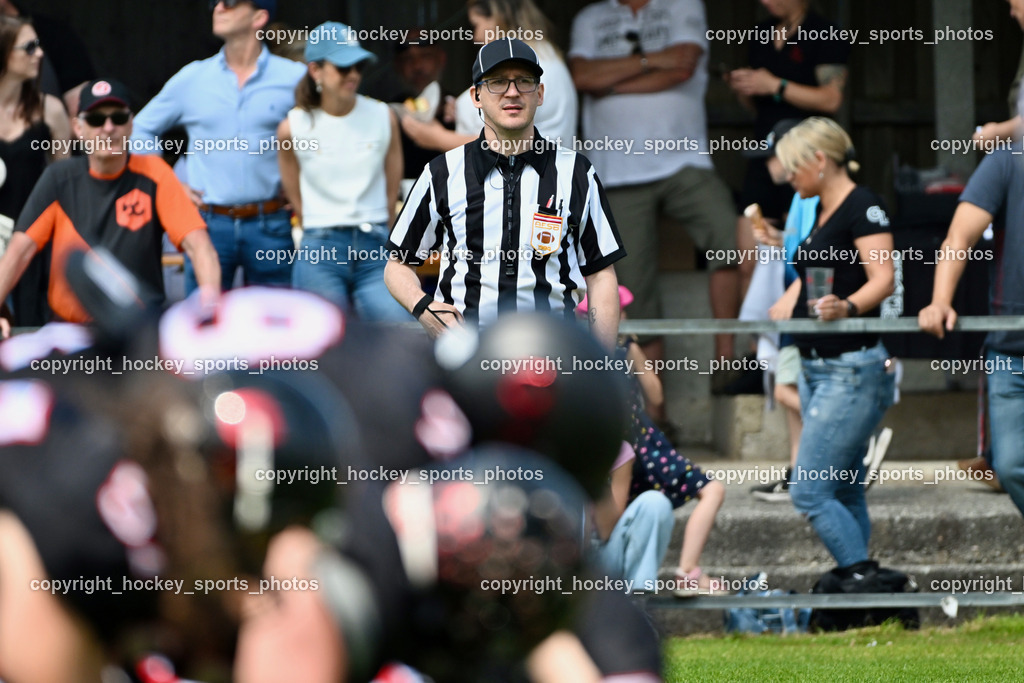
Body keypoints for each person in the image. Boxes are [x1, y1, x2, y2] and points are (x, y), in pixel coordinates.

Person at [385, 38, 625, 349]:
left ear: (539, 94)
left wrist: (598, 363)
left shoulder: (577, 172)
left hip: (552, 353)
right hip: (466, 352)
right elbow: (397, 263)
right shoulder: (441, 172)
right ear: (476, 96)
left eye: (524, 81)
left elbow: (601, 275)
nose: (512, 92)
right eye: (497, 82)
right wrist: (423, 308)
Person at [569, 0, 740, 366]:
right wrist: (651, 61)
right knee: (632, 286)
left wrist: (611, 83)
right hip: (616, 169)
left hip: (684, 161)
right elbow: (581, 76)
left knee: (729, 236)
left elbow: (683, 65)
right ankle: (654, 411)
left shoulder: (682, 4)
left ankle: (726, 360)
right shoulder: (591, 17)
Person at [0, 79, 220, 338]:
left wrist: (211, 310)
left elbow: (200, 247)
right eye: (96, 120)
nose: (108, 128)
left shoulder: (155, 173)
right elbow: (18, 253)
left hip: (139, 332)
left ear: (131, 124)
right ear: (78, 127)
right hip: (70, 331)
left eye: (118, 118)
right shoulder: (58, 179)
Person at [769, 117, 895, 569]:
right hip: (816, 365)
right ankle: (865, 599)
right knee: (843, 487)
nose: (788, 177)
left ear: (820, 160)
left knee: (809, 490)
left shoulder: (863, 205)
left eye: (794, 167)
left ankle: (861, 580)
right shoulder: (821, 208)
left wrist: (848, 307)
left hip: (850, 367)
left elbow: (883, 279)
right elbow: (811, 274)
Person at [131, 0, 305, 293]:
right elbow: (141, 129)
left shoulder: (293, 78)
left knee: (277, 329)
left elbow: (327, 132)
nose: (218, 7)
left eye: (231, 2)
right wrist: (170, 186)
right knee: (201, 326)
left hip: (271, 223)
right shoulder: (193, 78)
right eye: (215, 3)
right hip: (207, 226)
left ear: (259, 17)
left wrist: (302, 183)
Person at [580, 286, 726, 595]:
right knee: (708, 491)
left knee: (695, 494)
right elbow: (656, 396)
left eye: (620, 311)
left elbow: (655, 395)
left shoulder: (623, 349)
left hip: (640, 443)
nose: (621, 317)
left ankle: (684, 572)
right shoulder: (585, 359)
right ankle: (687, 571)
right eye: (616, 310)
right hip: (638, 442)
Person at [918, 133, 1024, 518]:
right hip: (1010, 350)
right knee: (1009, 466)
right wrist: (940, 301)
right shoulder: (1007, 160)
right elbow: (958, 238)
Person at [277, 22, 408, 321]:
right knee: (320, 340)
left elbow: (392, 186)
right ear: (315, 70)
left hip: (376, 245)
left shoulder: (382, 115)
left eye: (358, 67)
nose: (353, 75)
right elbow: (292, 188)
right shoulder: (292, 126)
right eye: (343, 67)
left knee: (399, 332)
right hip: (320, 246)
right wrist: (315, 223)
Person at [399, 0, 578, 154]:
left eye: (476, 25)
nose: (475, 37)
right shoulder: (544, 56)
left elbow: (508, 144)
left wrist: (438, 138)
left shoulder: (533, 65)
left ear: (497, 19)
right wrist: (467, 107)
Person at [0, 15, 71, 328]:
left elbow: (66, 185)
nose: (39, 54)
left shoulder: (50, 110)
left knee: (31, 333)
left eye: (39, 45)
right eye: (29, 47)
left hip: (34, 243)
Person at [390, 29, 456, 180]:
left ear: (441, 58)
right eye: (408, 59)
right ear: (397, 66)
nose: (417, 66)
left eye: (425, 56)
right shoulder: (389, 114)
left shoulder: (461, 108)